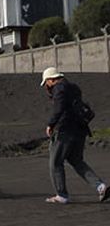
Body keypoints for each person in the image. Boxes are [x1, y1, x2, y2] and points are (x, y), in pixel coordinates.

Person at [40, 67, 108, 204]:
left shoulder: (59, 89)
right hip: (80, 130)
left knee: (55, 162)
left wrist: (51, 124)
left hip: (65, 130)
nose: (46, 86)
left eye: (46, 83)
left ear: (51, 80)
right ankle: (101, 186)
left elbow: (59, 109)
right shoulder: (74, 88)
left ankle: (62, 195)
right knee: (76, 160)